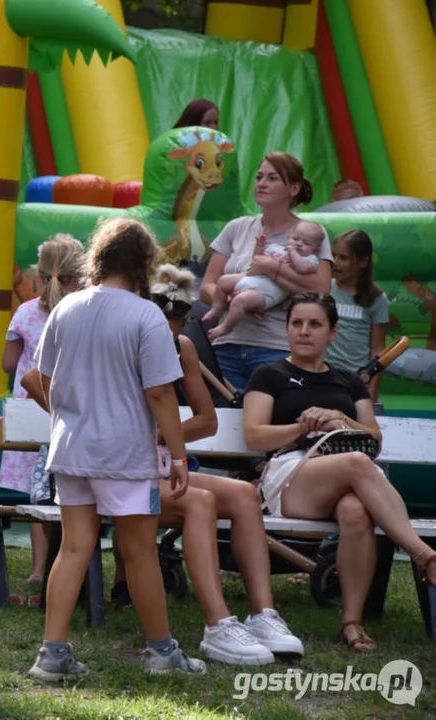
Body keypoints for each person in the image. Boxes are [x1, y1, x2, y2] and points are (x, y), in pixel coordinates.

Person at [27, 218, 205, 681]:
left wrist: (70, 414)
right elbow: (162, 395)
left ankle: (52, 655)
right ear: (145, 264)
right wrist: (181, 457)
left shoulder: (66, 308)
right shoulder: (146, 314)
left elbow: (41, 376)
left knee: (73, 549)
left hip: (71, 450)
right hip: (124, 455)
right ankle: (163, 654)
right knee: (139, 551)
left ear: (98, 258)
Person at [109, 265, 303, 665]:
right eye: (162, 327)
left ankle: (263, 614)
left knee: (244, 493)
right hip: (120, 471)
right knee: (198, 502)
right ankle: (217, 624)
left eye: (174, 329)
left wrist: (164, 434)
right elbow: (36, 380)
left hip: (160, 466)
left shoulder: (182, 347)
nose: (167, 337)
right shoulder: (121, 342)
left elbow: (206, 420)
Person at [243, 293, 436, 651]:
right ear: (286, 330)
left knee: (355, 510)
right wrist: (302, 427)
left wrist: (340, 419)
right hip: (289, 474)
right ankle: (425, 556)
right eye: (296, 323)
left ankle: (352, 622)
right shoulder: (270, 374)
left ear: (332, 333)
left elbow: (373, 440)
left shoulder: (349, 381)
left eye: (315, 324)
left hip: (344, 479)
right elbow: (255, 435)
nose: (304, 331)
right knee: (358, 464)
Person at [199, 152, 333, 392]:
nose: (261, 183)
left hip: (275, 347)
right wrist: (235, 302)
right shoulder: (237, 227)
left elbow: (321, 289)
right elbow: (208, 285)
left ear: (293, 188)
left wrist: (272, 267)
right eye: (259, 177)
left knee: (269, 420)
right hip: (227, 344)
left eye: (272, 178)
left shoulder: (311, 233)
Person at [0, 234, 83, 584]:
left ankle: (38, 570)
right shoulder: (84, 312)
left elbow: (7, 364)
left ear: (40, 273)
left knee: (37, 494)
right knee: (70, 493)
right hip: (72, 410)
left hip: (31, 411)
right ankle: (73, 566)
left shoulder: (25, 312)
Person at [202, 220, 324, 341]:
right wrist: (259, 247)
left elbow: (301, 267)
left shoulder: (310, 259)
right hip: (253, 278)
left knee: (240, 300)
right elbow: (256, 260)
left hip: (268, 292)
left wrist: (292, 253)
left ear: (316, 249)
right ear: (289, 237)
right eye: (295, 239)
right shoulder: (277, 248)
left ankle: (226, 327)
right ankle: (216, 309)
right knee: (223, 281)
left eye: (306, 243)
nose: (298, 244)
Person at [327, 230, 388, 401]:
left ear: (362, 262)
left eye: (343, 258)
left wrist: (372, 390)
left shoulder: (376, 298)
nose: (335, 262)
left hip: (357, 382)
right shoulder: (325, 289)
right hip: (325, 378)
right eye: (334, 255)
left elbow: (378, 349)